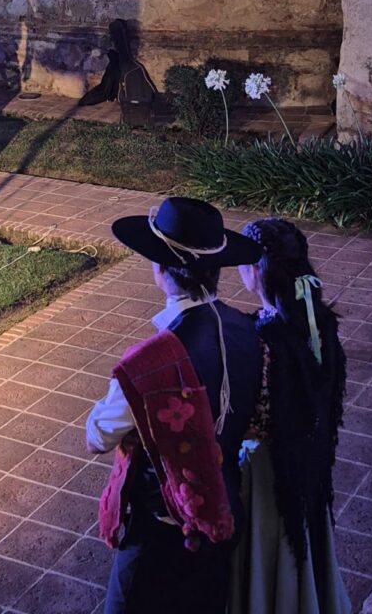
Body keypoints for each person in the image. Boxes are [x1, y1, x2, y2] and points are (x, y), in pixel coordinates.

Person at [86, 196, 263, 614]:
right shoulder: (247, 329)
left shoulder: (149, 363)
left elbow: (97, 437)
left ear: (161, 270)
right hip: (223, 511)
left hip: (162, 531)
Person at [229, 218, 350, 614]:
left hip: (270, 471)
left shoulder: (262, 340)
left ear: (256, 270)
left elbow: (252, 417)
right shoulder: (319, 323)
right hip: (310, 462)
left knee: (274, 544)